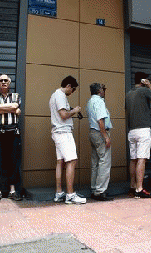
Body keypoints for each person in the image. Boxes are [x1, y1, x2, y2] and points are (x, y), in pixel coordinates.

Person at [125, 72, 151, 198]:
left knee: (133, 159)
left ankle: (132, 187)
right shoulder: (144, 91)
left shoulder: (129, 93)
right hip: (143, 130)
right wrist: (150, 87)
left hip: (131, 131)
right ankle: (139, 189)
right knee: (142, 159)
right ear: (143, 80)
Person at [49, 75, 86, 204]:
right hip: (63, 132)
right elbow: (63, 115)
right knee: (72, 161)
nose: (73, 92)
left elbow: (62, 113)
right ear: (68, 86)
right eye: (73, 89)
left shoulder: (55, 95)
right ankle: (70, 195)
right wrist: (74, 110)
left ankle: (59, 193)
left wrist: (70, 110)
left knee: (61, 162)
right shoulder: (60, 95)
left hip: (58, 132)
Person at [0, 74, 23, 202]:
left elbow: (15, 107)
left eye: (6, 80)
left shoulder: (16, 96)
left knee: (13, 162)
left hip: (13, 133)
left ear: (9, 83)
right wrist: (10, 108)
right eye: (1, 80)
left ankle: (13, 191)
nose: (3, 82)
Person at [86, 83, 113, 201]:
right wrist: (105, 136)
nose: (104, 91)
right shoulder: (99, 101)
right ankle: (100, 191)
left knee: (95, 162)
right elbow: (100, 120)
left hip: (92, 133)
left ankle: (94, 188)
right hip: (100, 133)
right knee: (104, 162)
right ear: (99, 91)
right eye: (103, 89)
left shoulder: (90, 101)